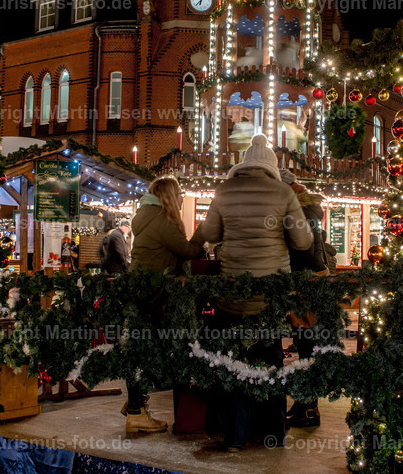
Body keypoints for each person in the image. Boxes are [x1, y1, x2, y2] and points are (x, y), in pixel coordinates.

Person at [199, 134, 312, 450]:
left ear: (244, 163)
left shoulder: (224, 191)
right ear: (271, 166)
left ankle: (235, 435)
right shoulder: (282, 192)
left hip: (233, 292)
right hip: (270, 295)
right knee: (271, 359)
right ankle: (273, 433)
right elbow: (303, 241)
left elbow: (210, 234)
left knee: (236, 360)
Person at [123, 176, 206, 433]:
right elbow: (188, 251)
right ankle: (135, 409)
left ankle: (135, 403)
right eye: (179, 194)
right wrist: (202, 233)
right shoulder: (162, 221)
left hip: (141, 289)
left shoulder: (147, 216)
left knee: (140, 346)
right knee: (148, 348)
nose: (181, 198)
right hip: (153, 293)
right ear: (170, 196)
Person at [278, 170, 328, 428]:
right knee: (305, 345)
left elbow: (305, 251)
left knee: (307, 347)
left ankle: (308, 408)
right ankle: (304, 404)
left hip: (306, 284)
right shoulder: (308, 209)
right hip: (310, 282)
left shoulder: (301, 212)